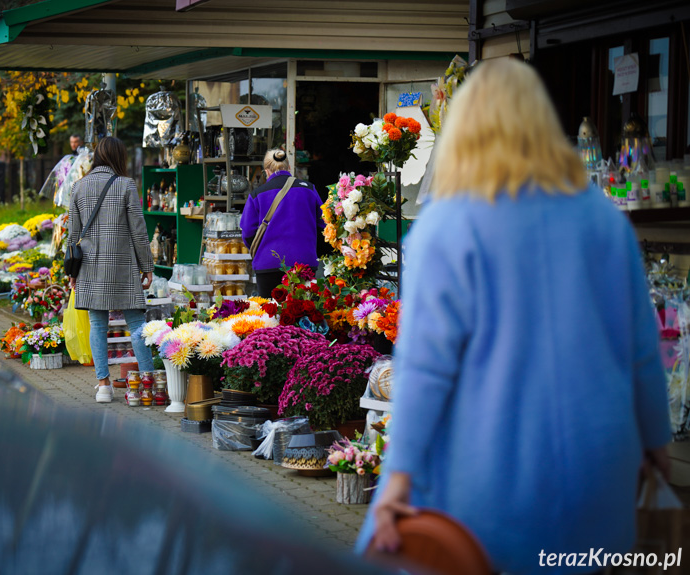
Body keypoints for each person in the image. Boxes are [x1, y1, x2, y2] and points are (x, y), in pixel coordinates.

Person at [357, 58, 671, 575]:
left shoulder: (446, 227)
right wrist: (656, 441)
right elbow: (640, 346)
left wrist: (398, 476)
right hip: (601, 468)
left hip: (488, 480)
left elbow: (427, 369)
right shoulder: (602, 218)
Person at [67, 137, 154, 403]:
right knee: (137, 323)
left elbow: (73, 235)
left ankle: (104, 385)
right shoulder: (126, 185)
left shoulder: (79, 187)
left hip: (91, 266)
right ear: (119, 158)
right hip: (123, 265)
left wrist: (72, 272)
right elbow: (139, 231)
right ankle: (148, 383)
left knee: (97, 324)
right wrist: (146, 266)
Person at [241, 149, 323, 297]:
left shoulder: (257, 194)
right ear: (289, 168)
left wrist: (262, 249)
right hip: (304, 263)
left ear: (267, 171)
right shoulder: (309, 189)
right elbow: (323, 225)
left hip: (268, 264)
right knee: (304, 314)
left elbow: (247, 231)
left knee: (271, 317)